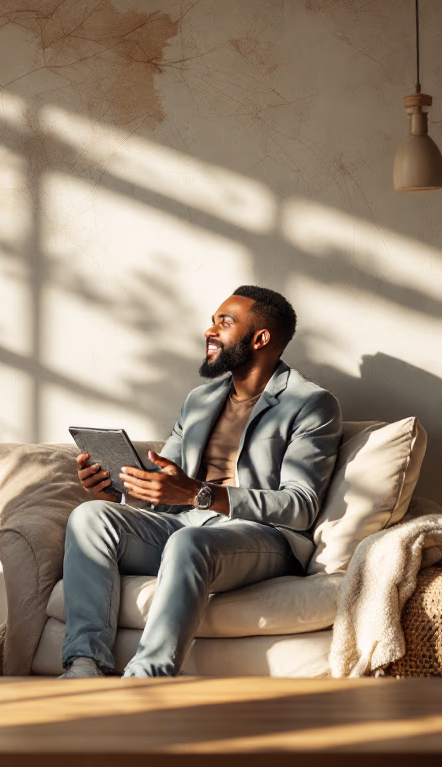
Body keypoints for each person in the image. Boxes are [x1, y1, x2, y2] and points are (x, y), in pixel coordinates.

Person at [61, 286, 342, 678]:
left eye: (224, 323)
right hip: (184, 526)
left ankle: (148, 676)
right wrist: (120, 490)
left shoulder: (311, 403)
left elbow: (300, 505)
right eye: (212, 320)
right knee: (91, 516)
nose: (210, 330)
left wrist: (200, 494)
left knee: (188, 540)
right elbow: (167, 484)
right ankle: (85, 663)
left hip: (260, 537)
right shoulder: (200, 399)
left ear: (260, 338)